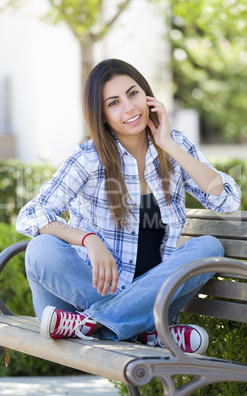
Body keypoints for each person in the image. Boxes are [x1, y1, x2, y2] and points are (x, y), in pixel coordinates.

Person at [16, 59, 241, 354]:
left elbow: (227, 200)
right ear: (102, 115)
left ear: (148, 96)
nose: (129, 108)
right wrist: (88, 239)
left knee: (208, 247)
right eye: (114, 103)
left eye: (133, 94)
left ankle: (98, 326)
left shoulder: (174, 146)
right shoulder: (89, 157)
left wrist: (169, 144)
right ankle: (145, 331)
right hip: (87, 293)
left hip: (135, 303)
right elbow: (31, 215)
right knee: (40, 249)